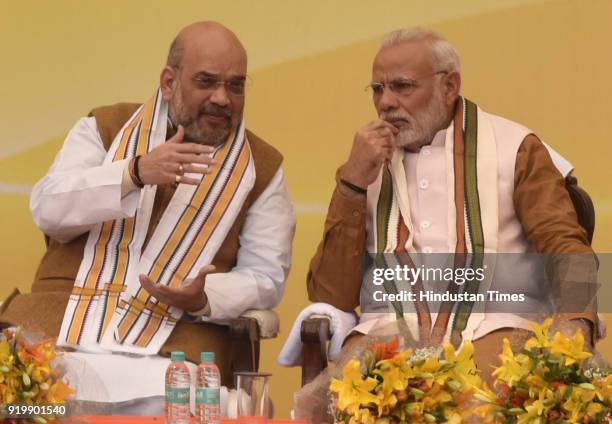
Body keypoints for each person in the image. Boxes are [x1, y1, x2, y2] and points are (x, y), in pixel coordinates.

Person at [0, 21, 295, 412]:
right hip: (57, 333)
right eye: (206, 81)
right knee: (19, 390)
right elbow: (48, 209)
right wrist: (133, 173)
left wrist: (205, 296)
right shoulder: (104, 128)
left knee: (198, 402)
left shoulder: (263, 168)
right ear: (169, 82)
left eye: (235, 85)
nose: (223, 98)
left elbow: (265, 276)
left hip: (169, 352)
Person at [307, 28, 598, 380]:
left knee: (485, 402)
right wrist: (351, 184)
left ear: (449, 86)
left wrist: (576, 321)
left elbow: (564, 245)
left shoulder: (515, 147)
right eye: (378, 89)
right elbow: (330, 296)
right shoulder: (364, 162)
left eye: (402, 87)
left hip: (497, 331)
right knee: (346, 399)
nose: (385, 103)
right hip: (384, 339)